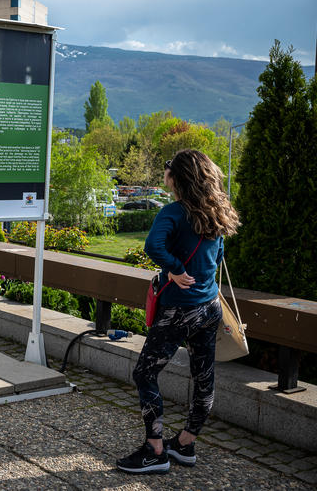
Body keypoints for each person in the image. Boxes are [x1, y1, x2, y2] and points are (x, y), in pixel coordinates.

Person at [117, 149, 240, 474]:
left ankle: (155, 450)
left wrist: (173, 268)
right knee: (203, 378)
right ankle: (185, 443)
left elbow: (153, 247)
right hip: (210, 307)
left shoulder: (173, 212)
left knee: (144, 373)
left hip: (180, 310)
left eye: (169, 167)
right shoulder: (216, 211)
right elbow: (219, 253)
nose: (166, 171)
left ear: (179, 177)